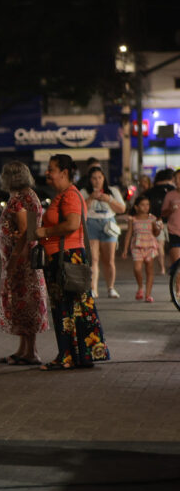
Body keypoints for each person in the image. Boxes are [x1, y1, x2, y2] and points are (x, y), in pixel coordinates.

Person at [35, 154, 110, 371]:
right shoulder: (67, 194)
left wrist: (45, 231)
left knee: (65, 308)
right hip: (66, 256)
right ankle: (80, 355)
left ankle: (67, 355)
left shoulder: (69, 195)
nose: (48, 173)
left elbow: (72, 223)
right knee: (76, 307)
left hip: (66, 258)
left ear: (64, 172)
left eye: (51, 169)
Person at [0, 161, 49, 365]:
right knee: (22, 305)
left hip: (22, 262)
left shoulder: (20, 198)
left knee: (26, 305)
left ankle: (31, 352)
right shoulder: (30, 196)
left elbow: (26, 231)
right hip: (25, 260)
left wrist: (14, 261)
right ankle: (23, 350)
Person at [81, 166, 126, 298]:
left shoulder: (112, 191)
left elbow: (122, 208)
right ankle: (93, 289)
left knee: (109, 260)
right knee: (93, 259)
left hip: (108, 224)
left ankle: (110, 287)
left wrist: (109, 199)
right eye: (94, 178)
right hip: (91, 224)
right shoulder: (84, 191)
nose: (97, 181)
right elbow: (79, 209)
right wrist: (90, 198)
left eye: (100, 177)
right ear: (90, 180)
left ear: (104, 178)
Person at [122, 195, 161, 302]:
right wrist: (125, 249)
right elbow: (129, 234)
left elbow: (156, 233)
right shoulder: (133, 219)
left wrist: (159, 228)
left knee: (149, 270)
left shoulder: (152, 218)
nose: (145, 207)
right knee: (137, 268)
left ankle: (148, 294)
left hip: (150, 246)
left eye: (147, 204)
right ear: (136, 207)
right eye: (142, 205)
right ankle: (140, 287)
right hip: (137, 246)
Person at [143, 168, 174, 274]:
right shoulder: (173, 190)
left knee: (160, 244)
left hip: (156, 219)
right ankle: (172, 264)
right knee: (174, 244)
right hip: (172, 220)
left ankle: (162, 269)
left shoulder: (150, 191)